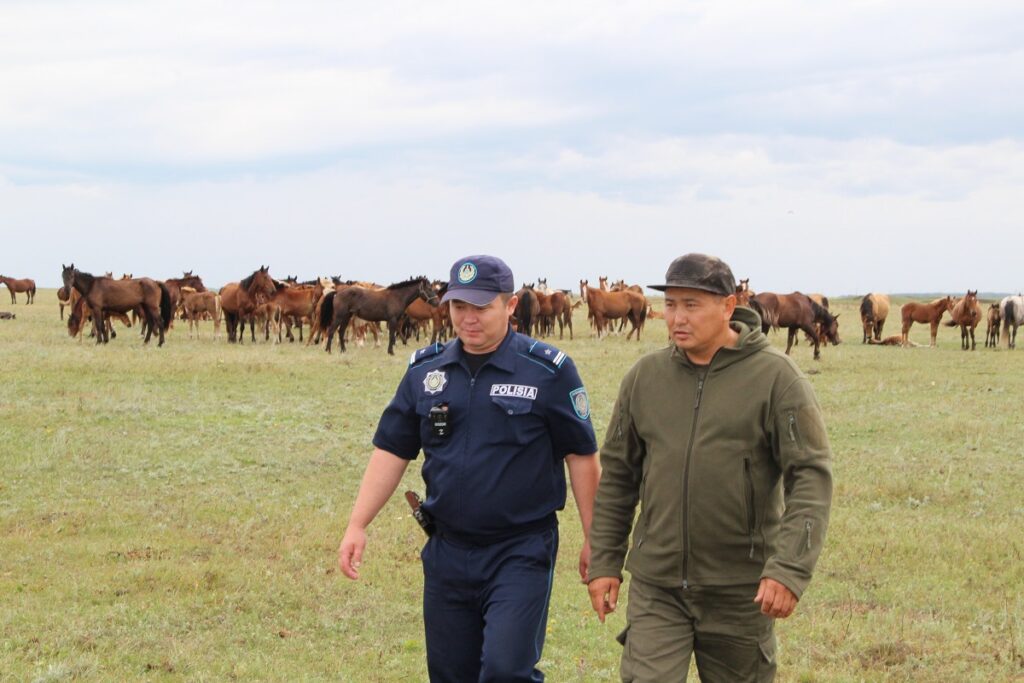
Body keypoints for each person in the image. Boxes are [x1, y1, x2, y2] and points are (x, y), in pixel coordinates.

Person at [338, 255, 600, 683]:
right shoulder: (426, 370)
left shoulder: (548, 371)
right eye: (460, 306)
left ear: (510, 306)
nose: (468, 318)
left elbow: (581, 457)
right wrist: (357, 523)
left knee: (504, 671)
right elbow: (391, 450)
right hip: (447, 551)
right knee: (450, 674)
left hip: (520, 550)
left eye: (481, 307)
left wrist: (595, 539)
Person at [586, 253, 833, 682]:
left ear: (729, 304)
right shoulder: (645, 378)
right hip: (658, 585)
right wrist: (606, 560)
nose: (677, 317)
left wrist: (789, 568)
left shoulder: (777, 379)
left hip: (741, 589)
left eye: (692, 305)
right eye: (672, 304)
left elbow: (810, 476)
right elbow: (619, 476)